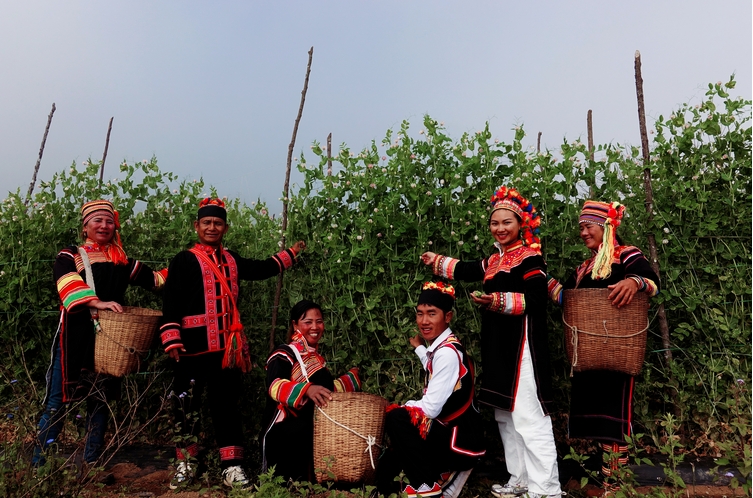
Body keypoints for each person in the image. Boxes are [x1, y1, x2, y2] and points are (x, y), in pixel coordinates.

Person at [420, 186, 561, 498]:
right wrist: (436, 260)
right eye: (495, 223)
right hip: (499, 346)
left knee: (529, 416)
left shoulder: (530, 258)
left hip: (523, 349)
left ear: (520, 224)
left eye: (507, 222)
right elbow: (467, 268)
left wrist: (496, 300)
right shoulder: (496, 260)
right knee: (505, 415)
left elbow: (538, 299)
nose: (500, 228)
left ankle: (547, 489)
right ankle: (520, 480)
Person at [160, 197, 306, 489]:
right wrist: (171, 337)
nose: (212, 227)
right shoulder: (183, 260)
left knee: (226, 406)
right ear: (196, 226)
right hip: (190, 348)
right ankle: (187, 462)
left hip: (226, 351)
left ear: (225, 228)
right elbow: (171, 298)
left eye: (218, 223)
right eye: (206, 222)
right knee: (185, 405)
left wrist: (291, 253)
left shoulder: (232, 260)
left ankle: (232, 466)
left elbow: (262, 268)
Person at [33, 200, 168, 467]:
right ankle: (39, 464)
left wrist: (185, 264)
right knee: (58, 399)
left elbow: (154, 280)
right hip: (74, 335)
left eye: (109, 221)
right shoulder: (72, 254)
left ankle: (92, 463)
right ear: (85, 227)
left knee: (100, 399)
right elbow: (66, 280)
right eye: (97, 221)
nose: (104, 226)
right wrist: (97, 302)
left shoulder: (120, 260)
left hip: (109, 338)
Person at [546, 200, 659, 480]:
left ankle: (615, 483)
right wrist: (541, 276)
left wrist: (633, 282)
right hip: (589, 348)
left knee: (614, 416)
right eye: (581, 228)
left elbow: (651, 282)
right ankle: (606, 475)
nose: (584, 233)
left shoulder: (627, 255)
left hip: (618, 346)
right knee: (598, 416)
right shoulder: (584, 268)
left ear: (606, 226)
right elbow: (565, 298)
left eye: (589, 227)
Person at [377, 282, 485, 498]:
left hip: (459, 443)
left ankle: (428, 487)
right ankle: (423, 481)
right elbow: (433, 365)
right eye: (420, 314)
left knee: (398, 419)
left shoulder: (446, 354)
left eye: (432, 314)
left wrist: (402, 408)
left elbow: (430, 409)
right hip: (456, 436)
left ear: (448, 317)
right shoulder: (445, 348)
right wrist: (419, 348)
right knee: (386, 472)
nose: (424, 321)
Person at [261, 299, 361, 482]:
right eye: (308, 322)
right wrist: (306, 390)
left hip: (312, 429)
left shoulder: (316, 360)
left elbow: (327, 392)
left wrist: (351, 380)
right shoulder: (284, 353)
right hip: (286, 432)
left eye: (319, 321)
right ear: (295, 325)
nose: (315, 327)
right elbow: (274, 386)